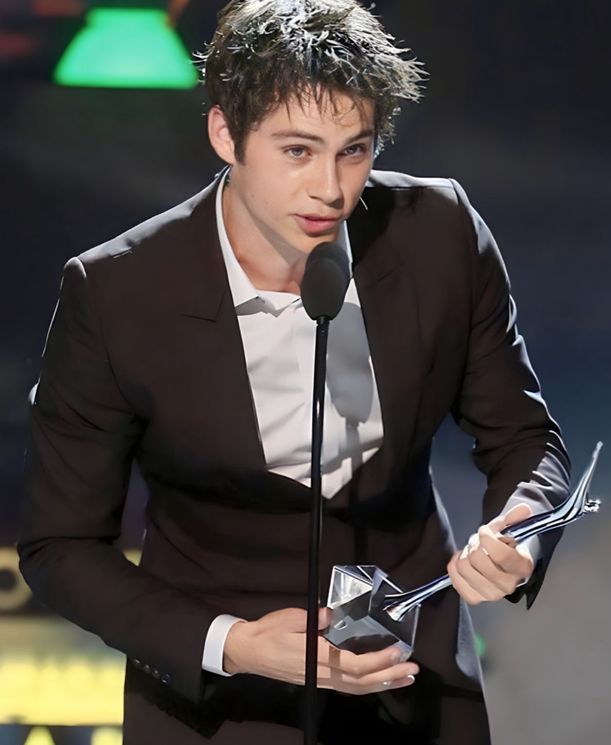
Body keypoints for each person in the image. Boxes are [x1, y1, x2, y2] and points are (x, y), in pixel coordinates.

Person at [18, 1, 571, 743]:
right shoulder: (118, 293)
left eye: (355, 149)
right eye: (297, 151)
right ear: (225, 133)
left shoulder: (438, 233)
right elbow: (60, 547)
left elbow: (524, 436)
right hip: (218, 695)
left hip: (410, 669)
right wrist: (231, 641)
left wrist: (522, 530)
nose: (332, 190)